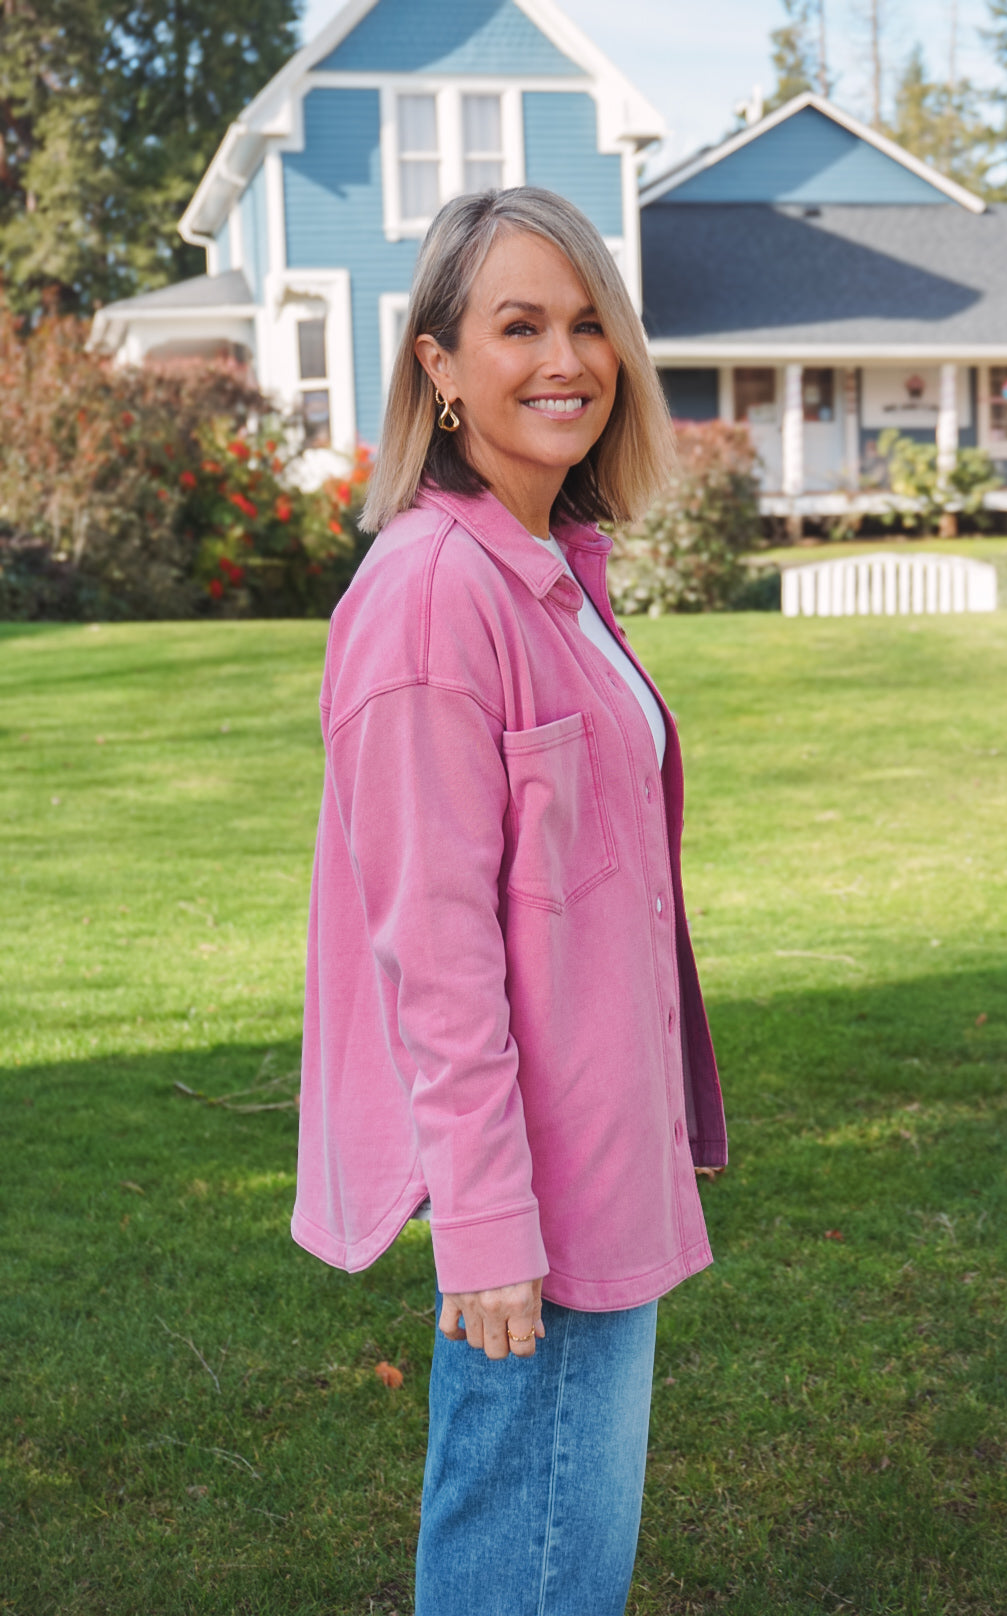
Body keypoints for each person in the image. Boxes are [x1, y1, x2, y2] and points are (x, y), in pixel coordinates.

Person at [291, 185, 727, 1616]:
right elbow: (431, 952)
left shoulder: (549, 568)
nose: (567, 359)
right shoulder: (431, 596)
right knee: (527, 1577)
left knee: (561, 1573)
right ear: (438, 363)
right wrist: (485, 1232)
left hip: (605, 1166)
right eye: (520, 326)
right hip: (533, 1207)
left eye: (590, 323)